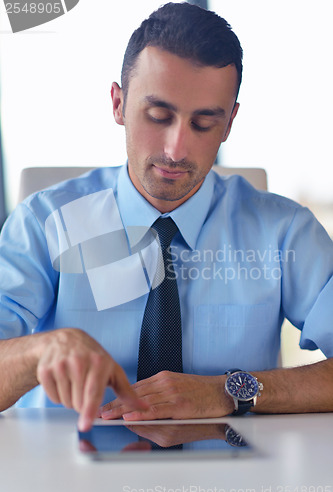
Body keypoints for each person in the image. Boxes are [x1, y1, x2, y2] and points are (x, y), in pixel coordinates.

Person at [0, 2, 332, 433]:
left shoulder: (285, 233)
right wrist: (37, 352)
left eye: (203, 123)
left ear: (229, 122)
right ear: (118, 104)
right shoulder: (43, 223)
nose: (176, 150)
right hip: (67, 479)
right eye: (158, 116)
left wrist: (227, 391)